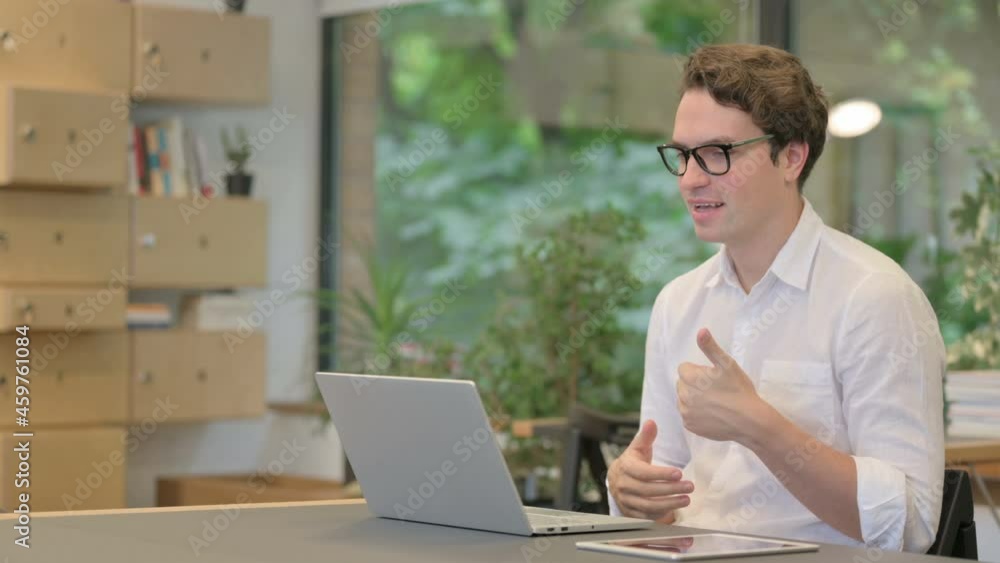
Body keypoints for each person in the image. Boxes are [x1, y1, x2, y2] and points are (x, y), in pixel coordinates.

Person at [606, 43, 945, 552]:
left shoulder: (874, 296)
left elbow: (909, 527)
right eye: (682, 155)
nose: (691, 179)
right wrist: (630, 491)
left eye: (718, 154)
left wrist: (757, 425)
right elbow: (662, 483)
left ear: (790, 157)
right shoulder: (678, 302)